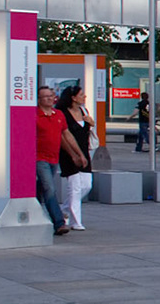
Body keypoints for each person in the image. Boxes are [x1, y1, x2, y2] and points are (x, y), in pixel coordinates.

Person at [35, 85, 86, 237]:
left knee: (40, 190)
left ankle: (36, 215)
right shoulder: (34, 115)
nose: (50, 98)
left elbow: (66, 135)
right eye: (45, 96)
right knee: (50, 189)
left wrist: (78, 154)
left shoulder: (58, 115)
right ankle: (59, 222)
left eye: (51, 95)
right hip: (39, 158)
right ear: (39, 100)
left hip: (53, 157)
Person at [57, 85, 95, 231]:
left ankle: (65, 209)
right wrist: (74, 154)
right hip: (68, 153)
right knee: (74, 187)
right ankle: (76, 221)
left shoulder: (84, 111)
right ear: (73, 98)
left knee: (86, 184)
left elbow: (88, 131)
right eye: (81, 94)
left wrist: (91, 123)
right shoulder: (63, 113)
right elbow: (64, 135)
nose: (84, 97)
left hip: (84, 151)